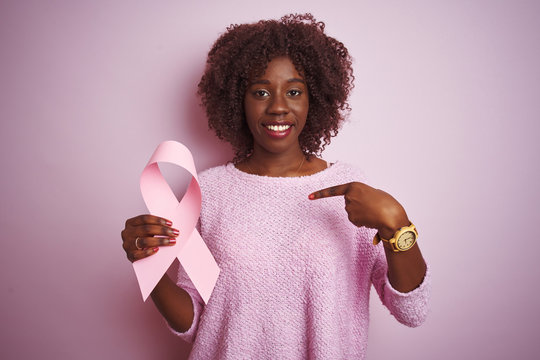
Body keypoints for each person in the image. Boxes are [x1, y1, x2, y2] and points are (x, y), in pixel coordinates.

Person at [121, 13, 430, 359]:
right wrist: (149, 266)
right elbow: (196, 323)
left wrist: (397, 224)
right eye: (261, 92)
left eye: (294, 91)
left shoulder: (351, 192)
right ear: (239, 99)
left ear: (314, 99)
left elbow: (412, 310)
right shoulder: (209, 192)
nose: (278, 106)